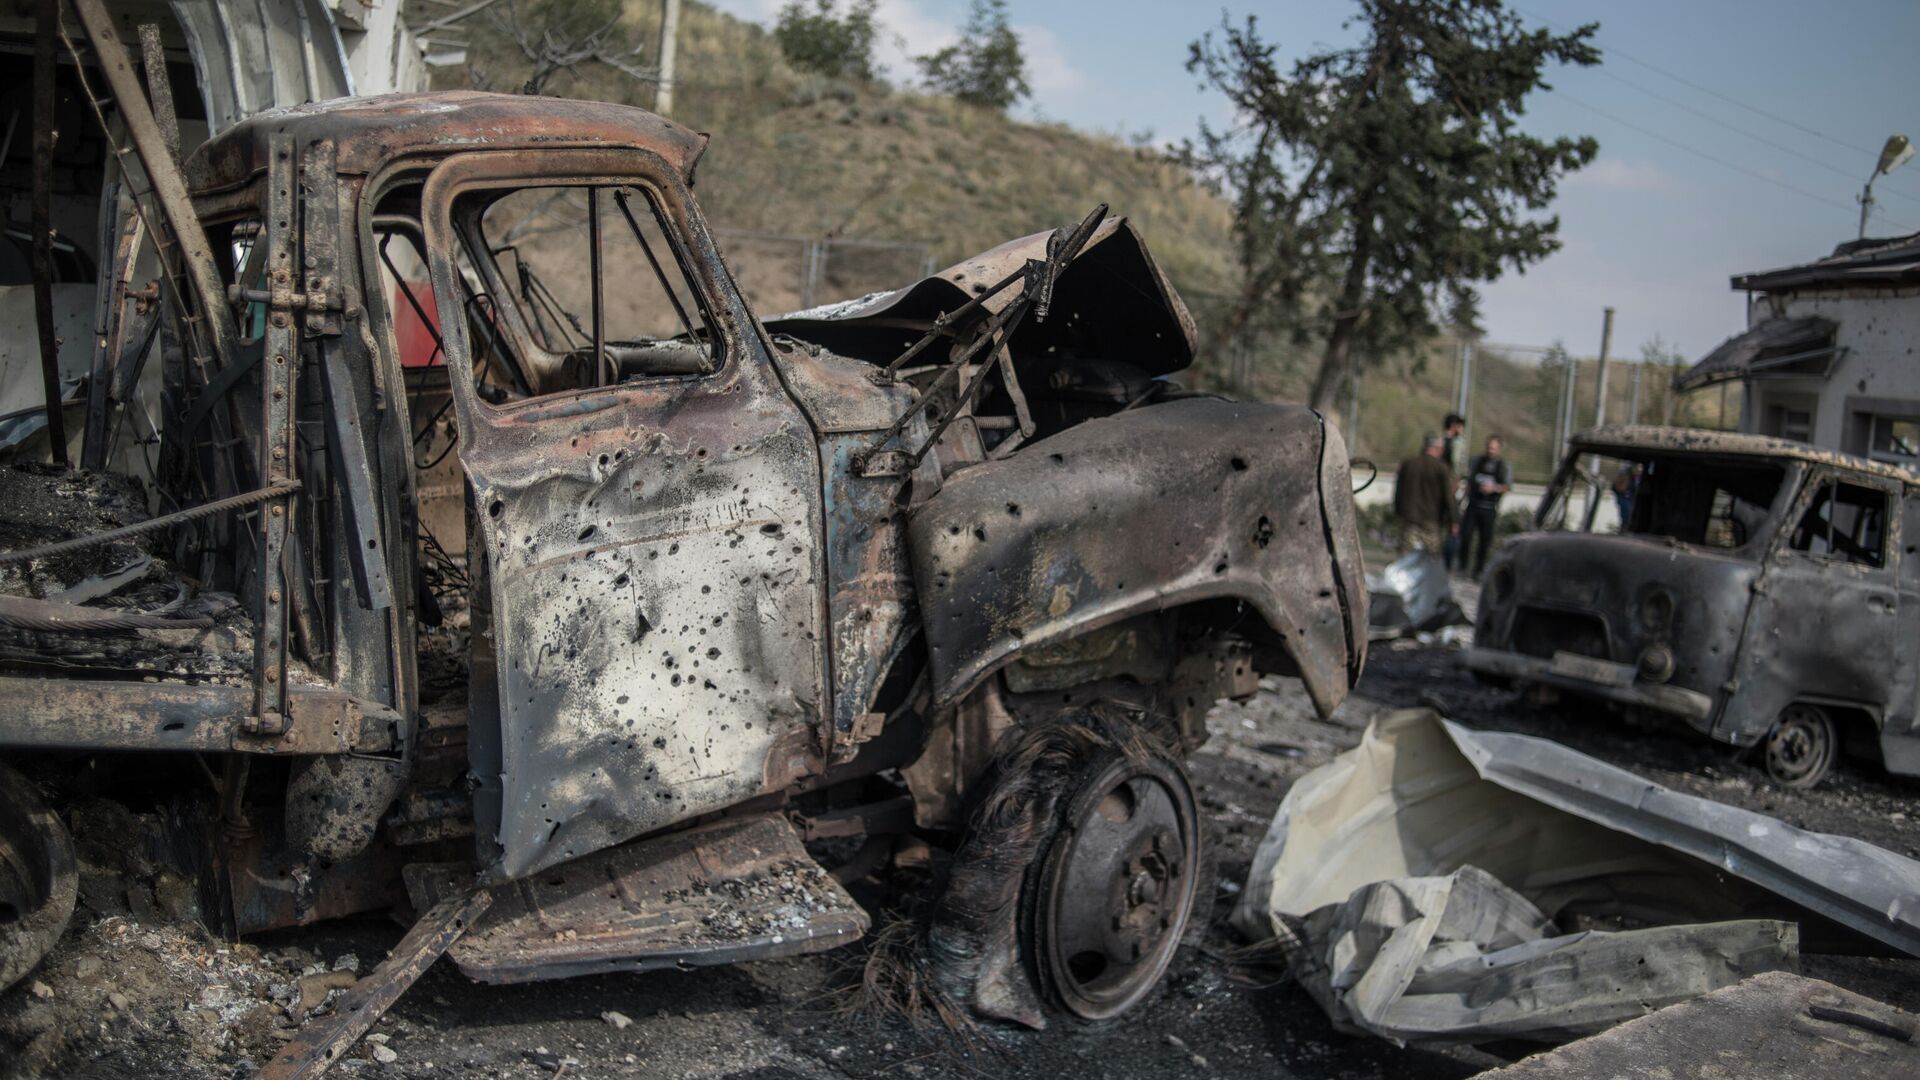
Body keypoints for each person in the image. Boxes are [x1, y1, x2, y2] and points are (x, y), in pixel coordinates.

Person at [1458, 435, 1512, 577]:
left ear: (1499, 449)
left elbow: (1507, 486)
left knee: (1484, 541)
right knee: (1466, 536)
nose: (1491, 451)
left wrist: (1493, 488)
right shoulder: (1477, 461)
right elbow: (1469, 482)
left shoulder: (1503, 466)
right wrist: (1463, 499)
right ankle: (1462, 566)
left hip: (1489, 508)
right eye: (1489, 447)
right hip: (1473, 505)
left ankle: (1478, 570)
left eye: (1494, 448)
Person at [1394, 434, 1457, 555]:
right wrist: (1453, 520)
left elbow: (1398, 491)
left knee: (1406, 556)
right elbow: (1449, 497)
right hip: (1431, 519)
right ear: (1439, 449)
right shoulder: (1441, 468)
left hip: (1409, 516)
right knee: (1430, 558)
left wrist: (1398, 511)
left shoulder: (1408, 464)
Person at [1440, 413, 1466, 568]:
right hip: (1449, 488)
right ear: (1454, 426)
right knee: (1453, 524)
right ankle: (1446, 561)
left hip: (1439, 488)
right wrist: (1456, 484)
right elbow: (1457, 467)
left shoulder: (1439, 442)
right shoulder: (1456, 443)